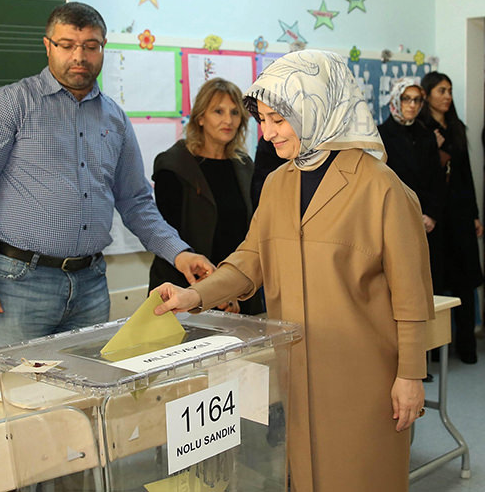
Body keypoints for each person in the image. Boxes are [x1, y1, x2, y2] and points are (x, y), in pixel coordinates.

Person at [152, 50, 434, 492]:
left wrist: (411, 375)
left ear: (316, 108)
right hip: (296, 370)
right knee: (303, 476)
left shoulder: (381, 188)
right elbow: (251, 260)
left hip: (364, 377)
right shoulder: (278, 184)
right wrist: (195, 296)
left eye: (278, 121)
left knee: (362, 476)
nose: (267, 133)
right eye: (262, 120)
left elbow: (412, 294)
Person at [0, 2, 212, 369]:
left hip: (91, 285)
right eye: (67, 44)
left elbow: (135, 202)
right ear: (48, 45)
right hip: (19, 284)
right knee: (17, 400)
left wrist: (180, 253)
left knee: (88, 397)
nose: (79, 56)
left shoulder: (115, 118)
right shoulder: (12, 105)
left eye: (90, 46)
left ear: (102, 48)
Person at [148, 77, 262, 314]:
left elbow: (250, 234)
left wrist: (232, 290)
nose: (228, 120)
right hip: (183, 287)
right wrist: (211, 293)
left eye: (234, 112)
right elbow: (169, 238)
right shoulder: (172, 165)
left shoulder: (244, 166)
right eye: (218, 111)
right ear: (200, 117)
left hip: (237, 289)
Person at [417, 71, 483, 364]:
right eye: (441, 90)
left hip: (459, 213)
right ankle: (430, 353)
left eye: (450, 91)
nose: (447, 96)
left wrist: (475, 215)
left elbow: (466, 175)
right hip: (434, 216)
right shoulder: (420, 129)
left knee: (465, 281)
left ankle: (468, 347)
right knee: (434, 281)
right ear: (428, 94)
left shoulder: (457, 127)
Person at [378, 79, 444, 279]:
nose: (412, 105)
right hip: (395, 217)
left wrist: (431, 214)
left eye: (417, 100)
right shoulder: (380, 135)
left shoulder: (426, 135)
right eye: (406, 99)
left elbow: (437, 179)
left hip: (426, 219)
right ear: (396, 100)